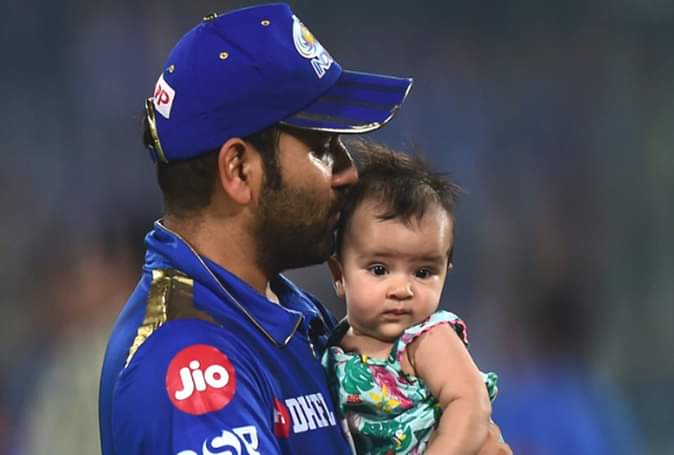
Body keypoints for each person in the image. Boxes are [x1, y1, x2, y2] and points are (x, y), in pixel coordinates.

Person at [98, 3, 511, 454]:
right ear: (239, 170)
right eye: (323, 147)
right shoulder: (186, 360)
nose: (348, 172)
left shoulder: (298, 315)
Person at [323, 142, 499, 454]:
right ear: (340, 275)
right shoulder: (330, 344)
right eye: (379, 270)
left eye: (423, 272)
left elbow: (471, 405)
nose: (402, 289)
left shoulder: (425, 339)